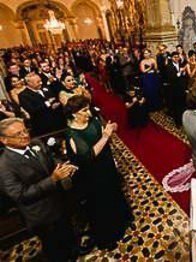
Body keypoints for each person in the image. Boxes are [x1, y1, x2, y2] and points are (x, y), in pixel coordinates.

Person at [0, 118, 81, 261]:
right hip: (42, 214)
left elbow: (51, 159)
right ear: (4, 140)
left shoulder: (36, 143)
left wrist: (62, 166)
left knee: (67, 231)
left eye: (25, 130)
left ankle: (75, 250)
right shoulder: (4, 166)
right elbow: (20, 195)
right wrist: (53, 180)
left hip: (58, 201)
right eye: (17, 134)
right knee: (54, 247)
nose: (24, 135)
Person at [62, 96, 132, 250]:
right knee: (101, 203)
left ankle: (121, 222)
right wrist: (106, 135)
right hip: (92, 175)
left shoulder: (93, 121)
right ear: (74, 114)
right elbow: (89, 156)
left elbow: (105, 141)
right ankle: (108, 236)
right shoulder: (73, 134)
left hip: (106, 166)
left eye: (88, 108)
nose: (89, 112)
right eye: (84, 110)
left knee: (113, 192)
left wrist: (111, 130)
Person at [18, 73, 66, 138]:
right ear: (29, 83)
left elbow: (55, 97)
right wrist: (48, 104)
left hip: (59, 122)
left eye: (40, 80)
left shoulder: (45, 88)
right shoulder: (23, 95)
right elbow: (33, 110)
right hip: (44, 126)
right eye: (38, 82)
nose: (41, 83)